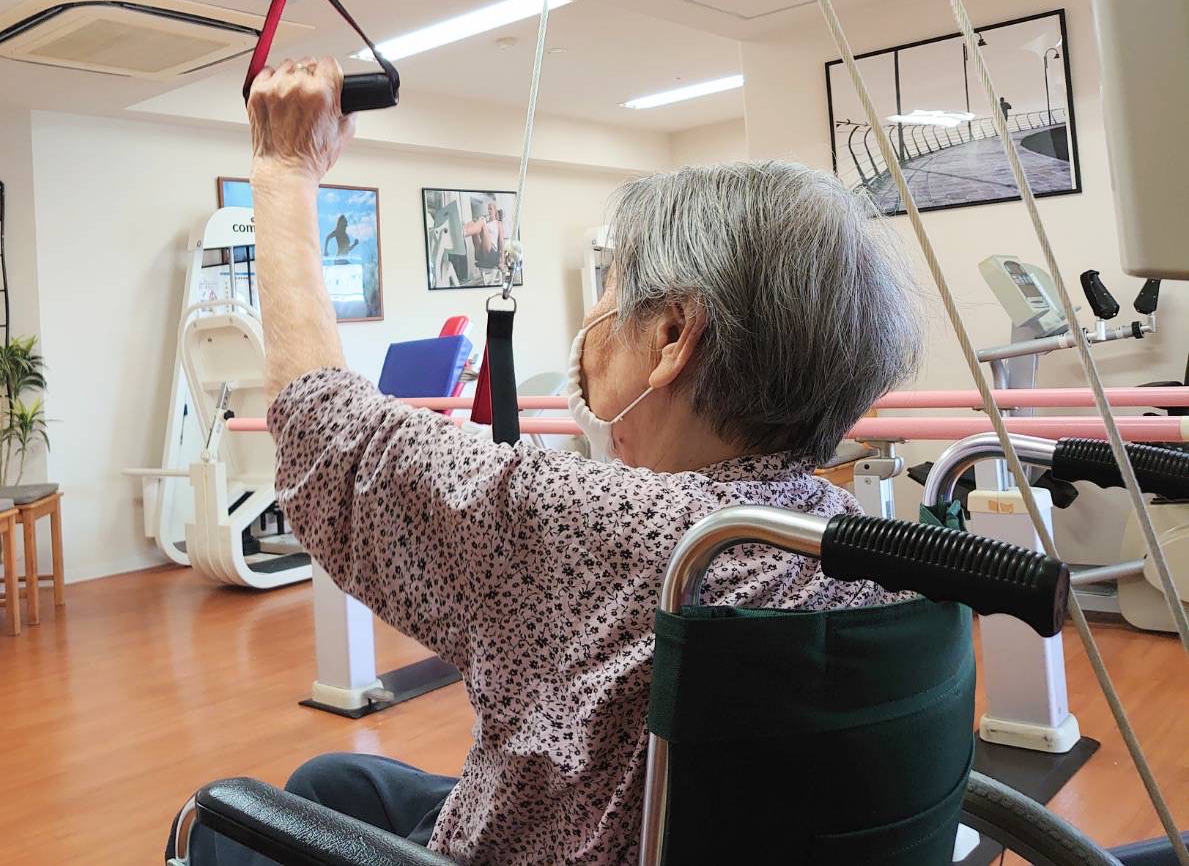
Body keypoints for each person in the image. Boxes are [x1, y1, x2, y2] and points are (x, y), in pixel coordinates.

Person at [176, 57, 924, 866]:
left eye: (610, 290)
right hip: (660, 826)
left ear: (672, 338)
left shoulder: (604, 529)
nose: (593, 320)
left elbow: (327, 435)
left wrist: (284, 169)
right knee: (333, 782)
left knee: (217, 823)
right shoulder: (853, 539)